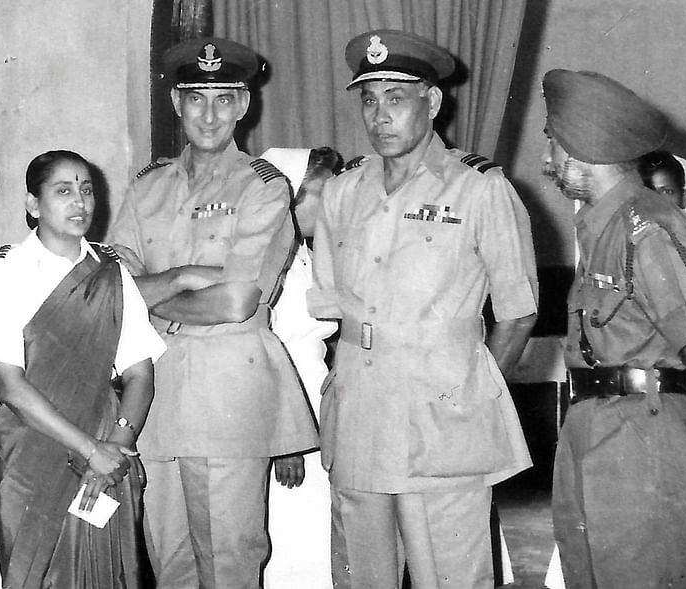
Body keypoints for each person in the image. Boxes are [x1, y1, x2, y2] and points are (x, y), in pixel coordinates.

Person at [307, 29, 538, 588]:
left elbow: (519, 311)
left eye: (396, 98)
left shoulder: (479, 189)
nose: (380, 115)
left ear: (431, 102)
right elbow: (334, 305)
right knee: (362, 577)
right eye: (369, 99)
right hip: (359, 418)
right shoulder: (342, 192)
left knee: (451, 578)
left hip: (442, 423)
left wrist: (469, 391)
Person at [105, 37, 319, 588]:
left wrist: (149, 298)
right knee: (169, 556)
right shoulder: (147, 186)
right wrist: (177, 278)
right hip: (153, 391)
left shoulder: (263, 189)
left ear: (244, 106)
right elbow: (110, 287)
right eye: (196, 98)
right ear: (177, 102)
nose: (209, 113)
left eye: (224, 99)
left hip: (228, 392)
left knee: (229, 560)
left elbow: (235, 300)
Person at [540, 69, 686, 589]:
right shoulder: (603, 227)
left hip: (644, 442)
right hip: (594, 432)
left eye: (553, 145)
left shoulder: (650, 229)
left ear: (581, 149)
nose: (547, 162)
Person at [0, 150, 166, 588]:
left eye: (87, 191)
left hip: (106, 444)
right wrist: (89, 451)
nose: (79, 202)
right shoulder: (8, 273)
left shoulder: (111, 273)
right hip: (33, 451)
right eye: (63, 191)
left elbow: (139, 372)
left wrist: (115, 446)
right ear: (32, 204)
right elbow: (9, 382)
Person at [258, 146, 343, 589]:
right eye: (321, 196)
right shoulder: (275, 264)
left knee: (318, 534)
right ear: (291, 197)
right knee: (293, 537)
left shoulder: (303, 253)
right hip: (287, 411)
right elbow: (267, 349)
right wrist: (285, 440)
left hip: (314, 400)